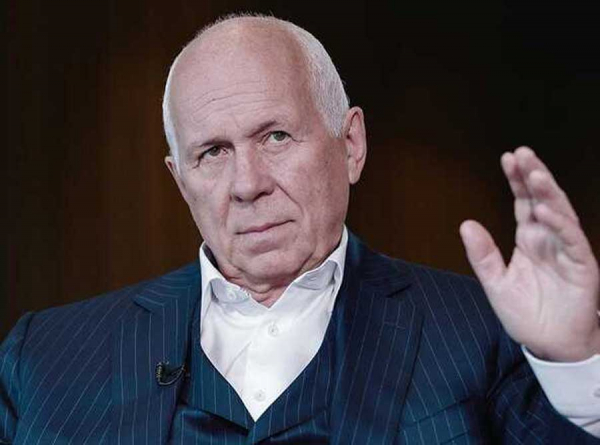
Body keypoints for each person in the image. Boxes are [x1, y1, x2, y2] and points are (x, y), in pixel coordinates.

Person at [1, 14, 599, 444]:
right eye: (212, 152)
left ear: (351, 144)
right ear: (180, 179)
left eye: (275, 137)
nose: (247, 184)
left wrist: (576, 361)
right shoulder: (45, 360)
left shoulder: (483, 335)